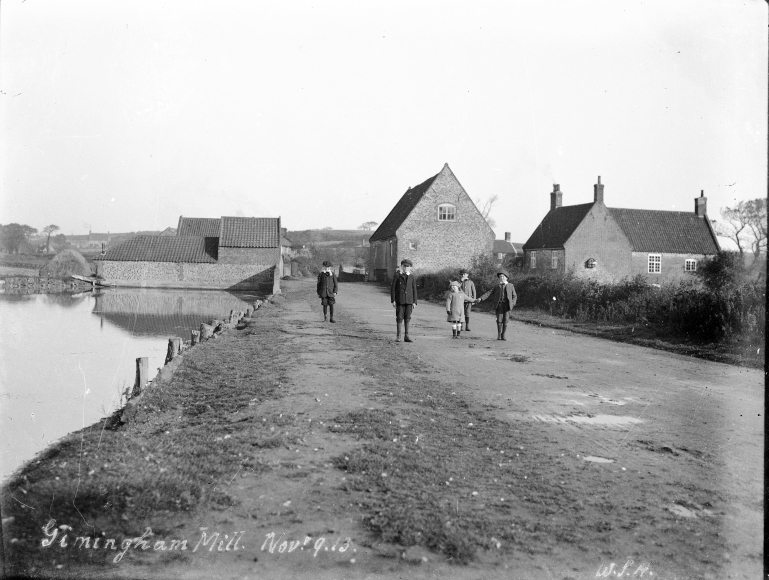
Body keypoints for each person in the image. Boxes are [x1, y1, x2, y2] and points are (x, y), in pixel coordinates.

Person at [475, 270, 517, 340]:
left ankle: (503, 334)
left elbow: (514, 296)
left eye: (503, 276)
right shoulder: (497, 286)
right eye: (500, 277)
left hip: (507, 305)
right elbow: (489, 292)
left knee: (505, 320)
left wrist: (512, 304)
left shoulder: (510, 286)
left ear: (506, 278)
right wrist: (481, 298)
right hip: (499, 305)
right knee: (499, 320)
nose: (502, 278)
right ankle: (499, 334)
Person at [390, 259, 417, 342]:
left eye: (407, 267)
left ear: (410, 268)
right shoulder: (397, 275)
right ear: (401, 266)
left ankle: (406, 336)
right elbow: (393, 288)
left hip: (409, 301)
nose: (406, 268)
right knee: (399, 317)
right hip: (400, 300)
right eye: (404, 266)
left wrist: (414, 302)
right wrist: (393, 300)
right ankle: (398, 336)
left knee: (407, 317)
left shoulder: (411, 277)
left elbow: (414, 289)